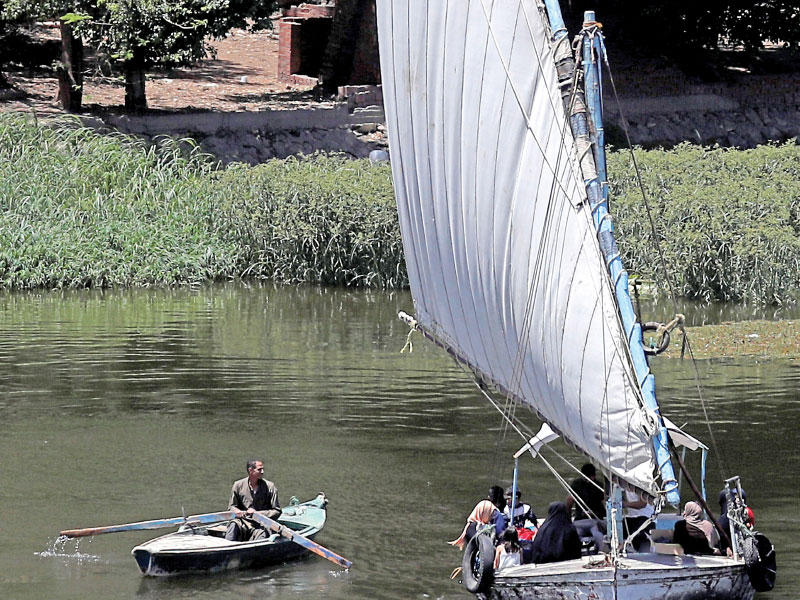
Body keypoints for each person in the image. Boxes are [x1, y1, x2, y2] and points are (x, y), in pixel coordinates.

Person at [224, 459, 281, 542]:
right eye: (259, 469)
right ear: (250, 470)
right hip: (243, 522)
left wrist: (257, 514)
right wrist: (238, 512)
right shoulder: (238, 485)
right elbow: (231, 507)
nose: (262, 472)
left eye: (263, 469)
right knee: (233, 525)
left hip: (261, 524)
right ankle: (227, 548)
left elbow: (277, 511)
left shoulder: (270, 487)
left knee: (262, 534)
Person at [565, 463, 606, 551]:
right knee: (597, 534)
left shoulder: (576, 484)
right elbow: (605, 503)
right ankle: (602, 552)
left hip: (581, 520)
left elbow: (569, 502)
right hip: (594, 520)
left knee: (578, 534)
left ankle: (575, 553)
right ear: (594, 475)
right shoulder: (598, 485)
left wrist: (568, 520)